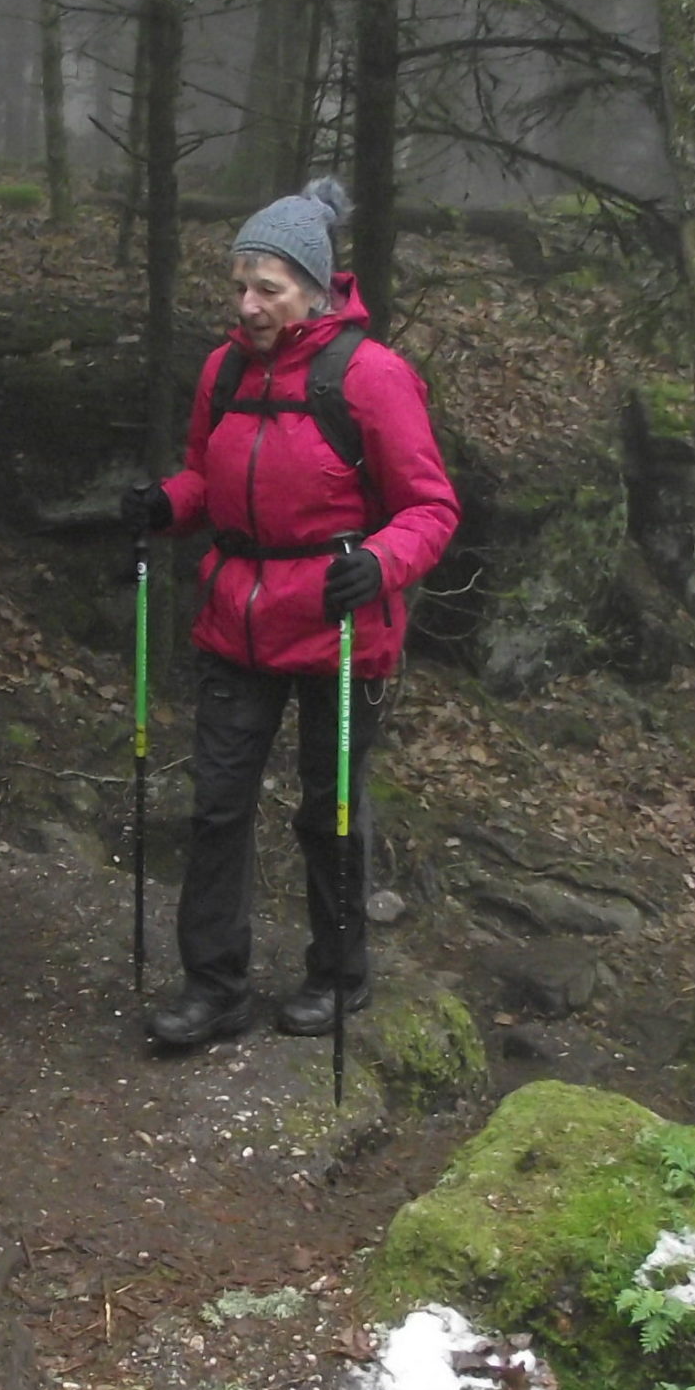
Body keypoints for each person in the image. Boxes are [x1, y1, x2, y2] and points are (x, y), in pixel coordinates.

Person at [121, 178, 460, 1049]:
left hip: (342, 627)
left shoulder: (372, 377)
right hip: (238, 622)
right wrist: (166, 504)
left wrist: (378, 563)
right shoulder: (226, 369)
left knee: (328, 809)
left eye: (266, 288)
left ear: (314, 289)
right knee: (218, 806)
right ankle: (214, 987)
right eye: (240, 285)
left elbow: (431, 507)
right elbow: (207, 477)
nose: (248, 305)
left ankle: (339, 976)